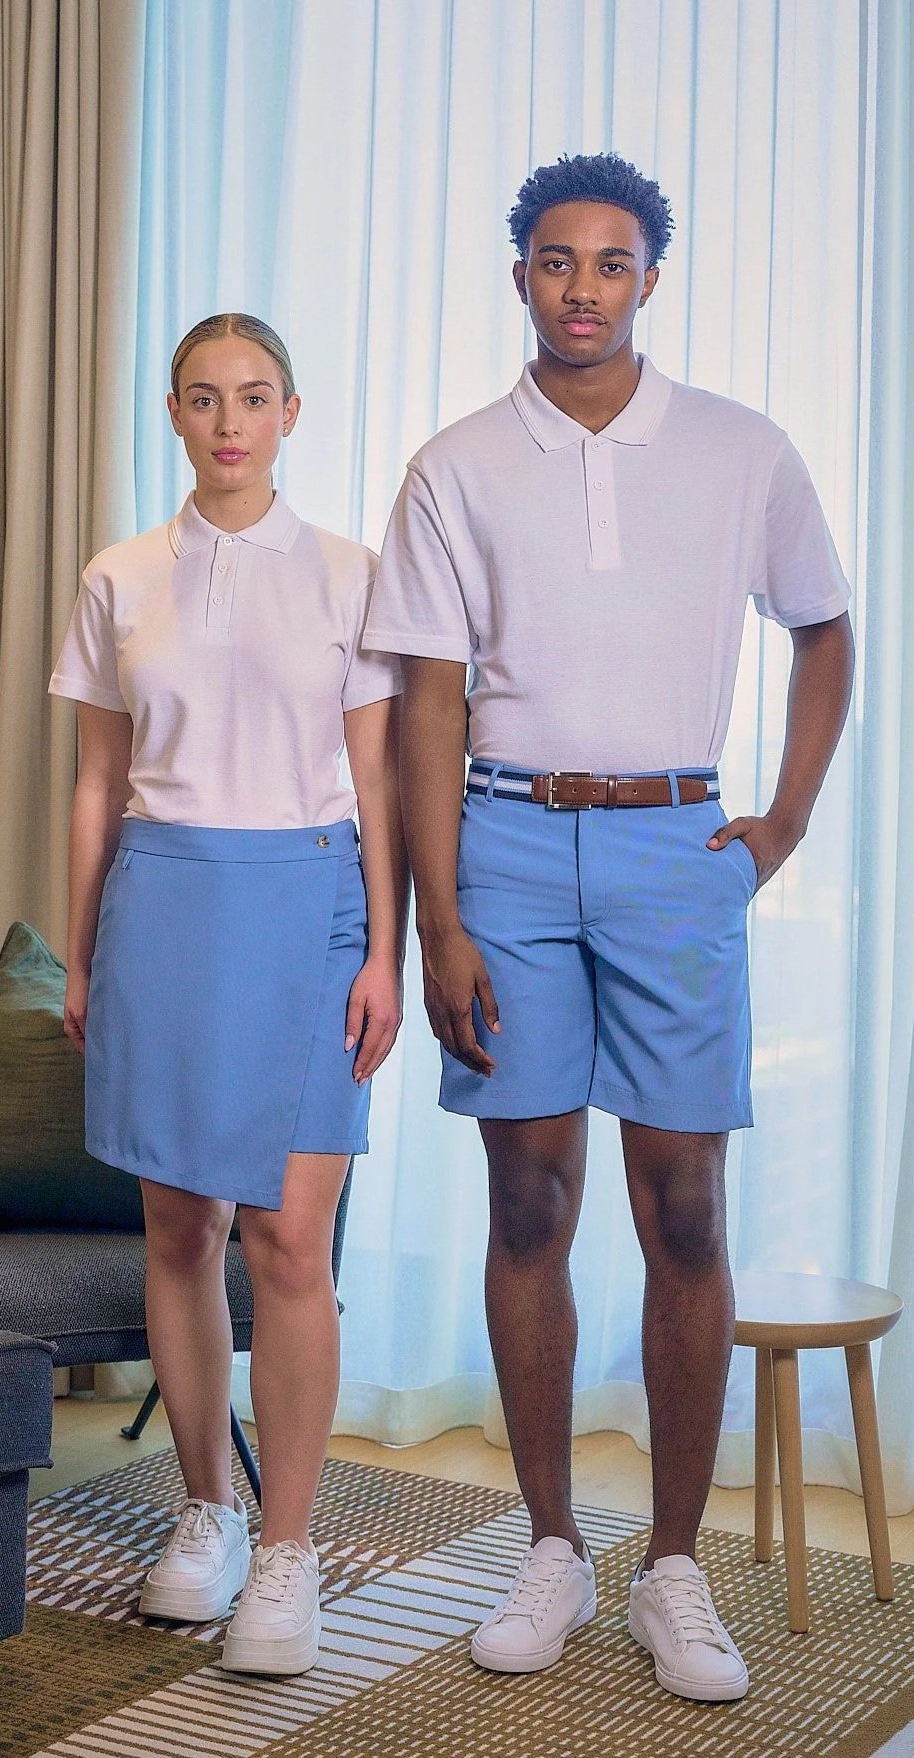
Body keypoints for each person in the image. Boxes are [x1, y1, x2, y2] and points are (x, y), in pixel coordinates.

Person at [363, 152, 854, 1704]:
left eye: (613, 262)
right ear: (520, 276)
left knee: (686, 1206)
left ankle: (677, 1568)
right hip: (500, 845)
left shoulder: (742, 452)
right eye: (556, 261)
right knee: (528, 1195)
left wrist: (777, 824)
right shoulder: (452, 465)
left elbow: (827, 629)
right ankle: (553, 1545)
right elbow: (424, 703)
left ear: (652, 278)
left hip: (672, 840)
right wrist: (442, 915)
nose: (583, 286)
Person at [49, 313, 406, 1676]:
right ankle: (205, 1509)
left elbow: (377, 781)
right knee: (182, 1226)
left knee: (289, 1239)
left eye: (253, 396)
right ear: (174, 414)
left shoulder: (349, 575)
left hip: (313, 905)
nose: (229, 420)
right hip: (164, 905)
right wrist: (82, 954)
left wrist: (387, 950)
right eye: (204, 399)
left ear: (293, 412)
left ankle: (292, 1546)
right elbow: (95, 782)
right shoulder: (119, 576)